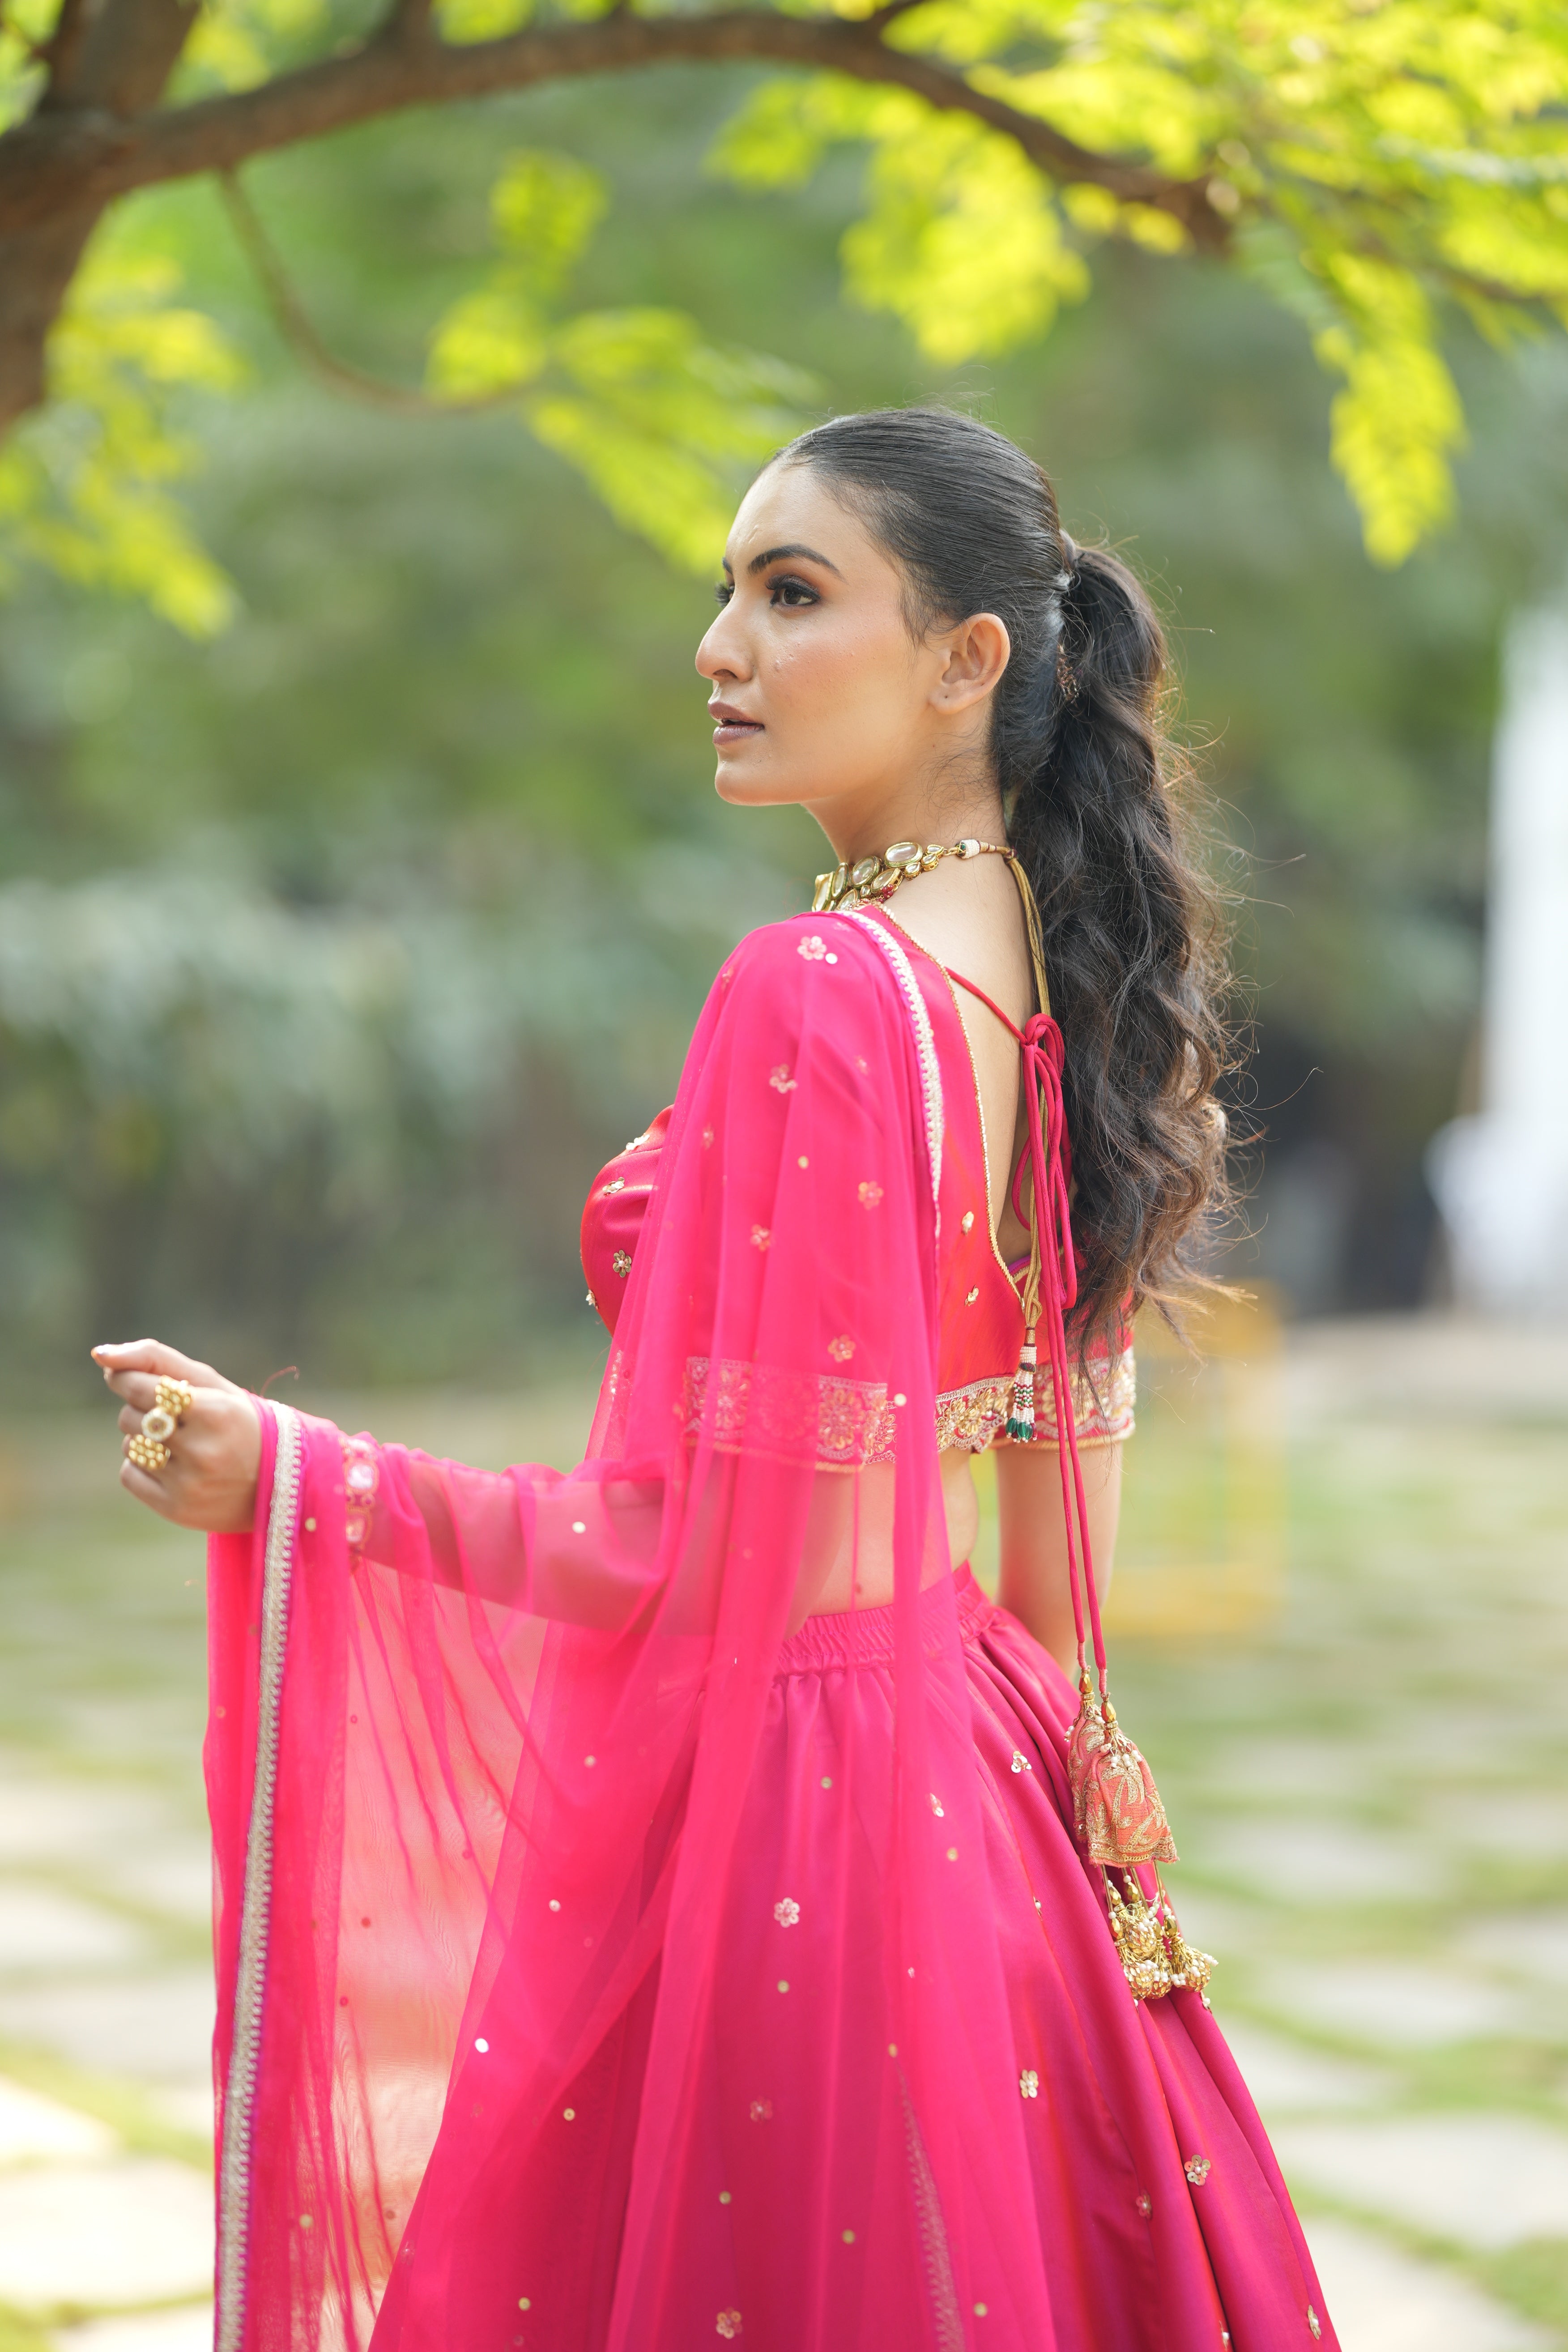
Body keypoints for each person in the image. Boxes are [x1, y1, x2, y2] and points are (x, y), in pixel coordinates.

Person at [96, 408, 1335, 2352]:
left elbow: (671, 1554)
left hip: (804, 1820)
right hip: (995, 1781)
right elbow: (1058, 1532)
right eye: (727, 590)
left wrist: (296, 1474)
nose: (719, 646)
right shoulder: (1057, 973)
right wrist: (1056, 1832)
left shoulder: (820, 994)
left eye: (793, 591)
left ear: (965, 662)